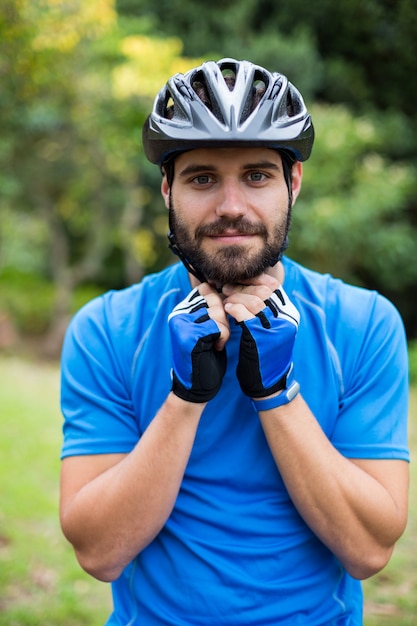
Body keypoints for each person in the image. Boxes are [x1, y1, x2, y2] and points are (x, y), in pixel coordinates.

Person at [59, 58, 410, 625]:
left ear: (292, 183)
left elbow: (369, 550)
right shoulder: (108, 329)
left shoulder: (364, 323)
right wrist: (184, 398)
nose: (231, 207)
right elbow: (99, 553)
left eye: (256, 176)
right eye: (202, 178)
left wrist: (276, 393)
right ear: (167, 189)